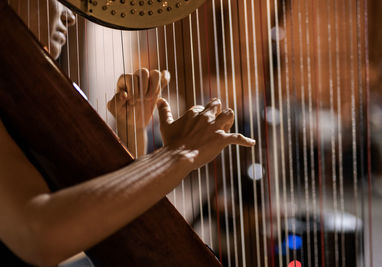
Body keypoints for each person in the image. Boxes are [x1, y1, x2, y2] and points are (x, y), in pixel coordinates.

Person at [0, 0, 255, 266]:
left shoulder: (29, 97)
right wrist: (179, 153)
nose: (71, 17)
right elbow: (40, 235)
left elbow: (96, 206)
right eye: (61, 0)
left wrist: (132, 131)